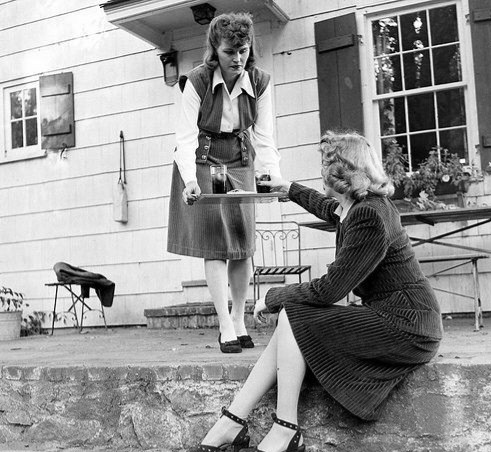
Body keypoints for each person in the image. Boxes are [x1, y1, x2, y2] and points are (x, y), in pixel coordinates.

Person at [187, 130, 443, 452]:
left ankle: (283, 429)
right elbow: (327, 208)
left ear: (342, 172)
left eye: (326, 164)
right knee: (293, 320)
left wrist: (272, 298)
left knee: (294, 315)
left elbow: (330, 289)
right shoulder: (359, 205)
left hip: (407, 325)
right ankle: (234, 420)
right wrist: (288, 188)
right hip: (393, 315)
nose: (322, 171)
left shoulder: (370, 216)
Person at [167, 12, 281, 353]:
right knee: (216, 243)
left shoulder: (260, 82)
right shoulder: (197, 82)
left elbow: (264, 137)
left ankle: (241, 318)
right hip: (203, 159)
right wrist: (189, 180)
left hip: (240, 157)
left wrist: (272, 175)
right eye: (230, 51)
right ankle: (224, 324)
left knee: (243, 242)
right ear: (215, 50)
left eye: (243, 50)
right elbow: (185, 138)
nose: (238, 58)